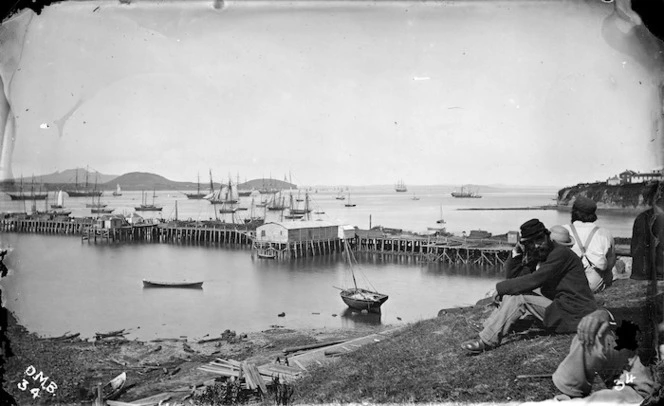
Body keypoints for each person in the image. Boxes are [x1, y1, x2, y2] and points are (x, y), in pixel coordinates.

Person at [461, 219, 598, 354]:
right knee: (512, 293)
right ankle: (489, 327)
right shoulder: (544, 253)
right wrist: (517, 252)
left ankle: (487, 340)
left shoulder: (561, 253)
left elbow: (534, 280)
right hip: (562, 307)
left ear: (547, 236)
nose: (537, 245)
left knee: (520, 299)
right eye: (531, 243)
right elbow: (515, 279)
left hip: (575, 313)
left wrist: (499, 288)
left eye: (539, 239)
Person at [551, 308, 657, 404]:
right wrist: (605, 313)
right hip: (641, 365)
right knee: (591, 334)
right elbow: (647, 311)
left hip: (653, 388)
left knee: (601, 399)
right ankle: (572, 395)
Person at [563, 196, 616, 293]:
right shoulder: (605, 233)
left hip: (567, 283)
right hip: (593, 284)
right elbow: (611, 262)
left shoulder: (564, 230)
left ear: (574, 213)